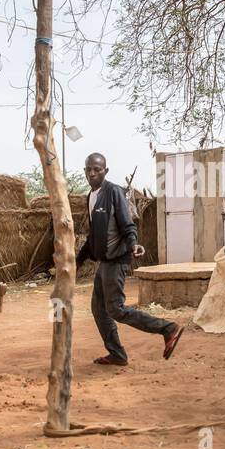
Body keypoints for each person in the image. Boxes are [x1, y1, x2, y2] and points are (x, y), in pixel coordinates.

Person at [76, 153, 184, 366]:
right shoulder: (91, 196)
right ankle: (117, 354)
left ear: (105, 171)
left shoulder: (114, 192)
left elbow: (128, 225)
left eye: (97, 169)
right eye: (88, 169)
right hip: (104, 262)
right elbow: (93, 236)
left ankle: (168, 328)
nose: (92, 173)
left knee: (115, 309)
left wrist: (134, 243)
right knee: (99, 309)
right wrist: (77, 261)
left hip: (117, 259)